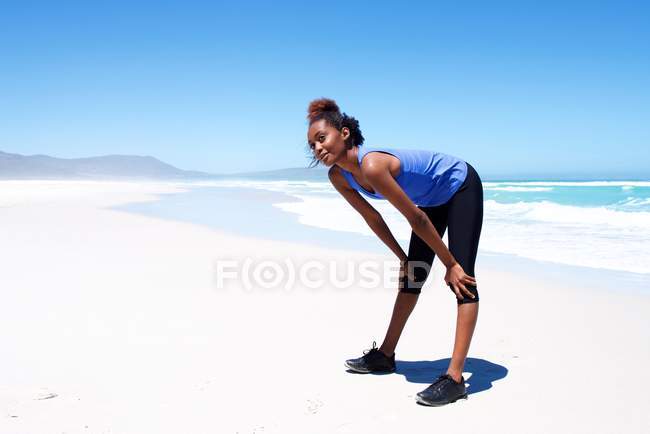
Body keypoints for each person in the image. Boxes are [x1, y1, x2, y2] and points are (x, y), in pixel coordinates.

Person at [305, 98, 484, 406]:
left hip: (459, 186)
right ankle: (385, 356)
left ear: (344, 133)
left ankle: (455, 379)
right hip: (432, 200)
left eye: (322, 138)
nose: (318, 148)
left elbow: (415, 218)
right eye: (312, 145)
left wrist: (450, 263)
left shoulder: (372, 165)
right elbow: (372, 217)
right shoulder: (339, 176)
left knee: (463, 278)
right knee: (412, 277)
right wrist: (404, 259)